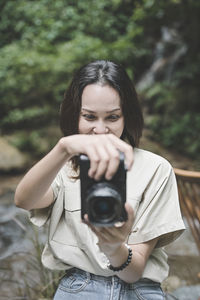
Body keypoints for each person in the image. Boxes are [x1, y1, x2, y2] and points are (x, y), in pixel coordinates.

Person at [15, 60, 185, 300]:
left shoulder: (156, 169)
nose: (100, 130)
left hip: (139, 290)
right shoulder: (62, 167)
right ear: (75, 115)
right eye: (89, 117)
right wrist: (64, 148)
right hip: (78, 287)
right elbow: (24, 200)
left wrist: (115, 249)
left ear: (127, 117)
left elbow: (133, 272)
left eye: (113, 117)